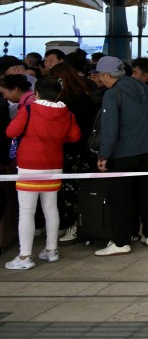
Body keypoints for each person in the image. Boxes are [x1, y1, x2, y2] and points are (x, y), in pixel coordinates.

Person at [4, 78, 81, 270]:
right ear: (58, 94)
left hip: (30, 166)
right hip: (54, 165)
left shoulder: (29, 110)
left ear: (36, 93)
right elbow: (74, 136)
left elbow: (11, 131)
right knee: (51, 209)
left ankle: (24, 257)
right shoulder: (66, 113)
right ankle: (51, 250)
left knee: (27, 212)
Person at [93, 56, 148, 256]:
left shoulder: (112, 94)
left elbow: (110, 129)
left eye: (99, 75)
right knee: (146, 194)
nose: (99, 79)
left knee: (120, 198)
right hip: (147, 149)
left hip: (123, 153)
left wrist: (103, 154)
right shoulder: (141, 86)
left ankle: (121, 242)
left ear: (106, 74)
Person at [50, 63, 98, 243]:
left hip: (76, 150)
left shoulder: (71, 99)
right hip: (82, 148)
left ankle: (75, 225)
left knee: (73, 190)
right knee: (75, 189)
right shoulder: (83, 94)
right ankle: (75, 224)